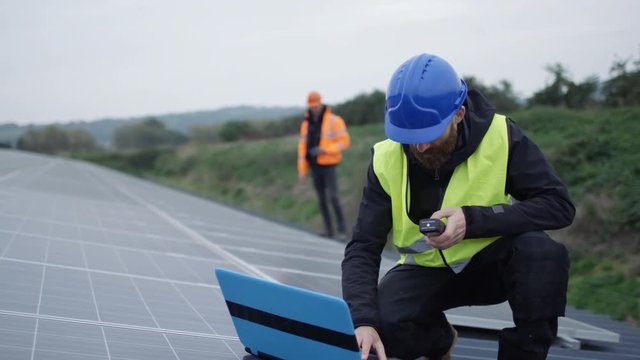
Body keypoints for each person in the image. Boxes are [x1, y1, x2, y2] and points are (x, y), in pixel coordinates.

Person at [341, 53, 575, 360]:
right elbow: (363, 247)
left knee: (543, 254)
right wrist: (364, 322)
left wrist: (472, 220)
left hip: (492, 266)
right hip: (426, 271)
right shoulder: (386, 159)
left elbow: (558, 206)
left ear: (459, 113)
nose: (419, 147)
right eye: (409, 137)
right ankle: (438, 341)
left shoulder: (502, 137)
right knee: (381, 328)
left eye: (427, 134)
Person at [298, 91, 351, 239]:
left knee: (333, 197)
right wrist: (302, 170)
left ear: (321, 103)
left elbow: (344, 142)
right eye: (311, 106)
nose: (314, 108)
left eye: (316, 105)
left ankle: (342, 231)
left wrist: (325, 150)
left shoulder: (334, 120)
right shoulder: (305, 123)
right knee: (321, 198)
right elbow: (302, 147)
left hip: (329, 163)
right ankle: (329, 230)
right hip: (314, 165)